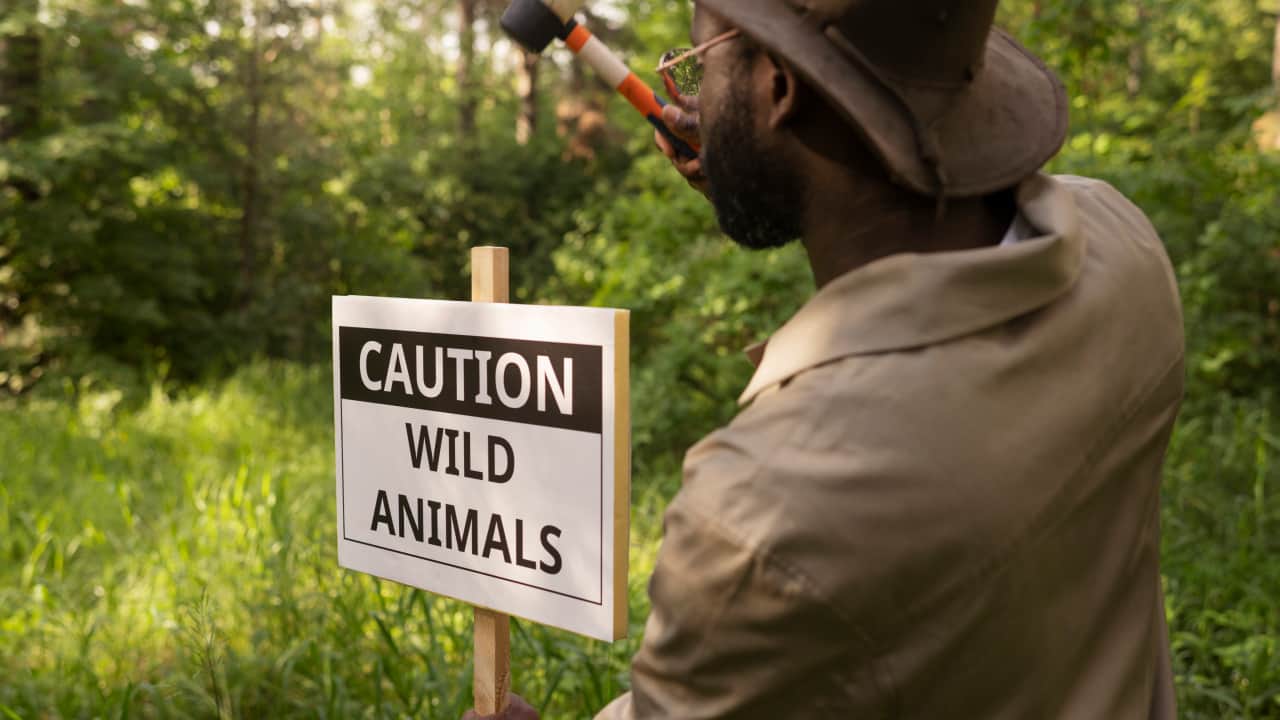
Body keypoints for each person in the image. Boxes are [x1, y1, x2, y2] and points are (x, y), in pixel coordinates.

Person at [468, 0, 1183, 717]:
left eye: (700, 62)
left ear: (779, 89)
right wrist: (780, 169)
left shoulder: (761, 516)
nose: (690, 92)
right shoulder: (1123, 248)